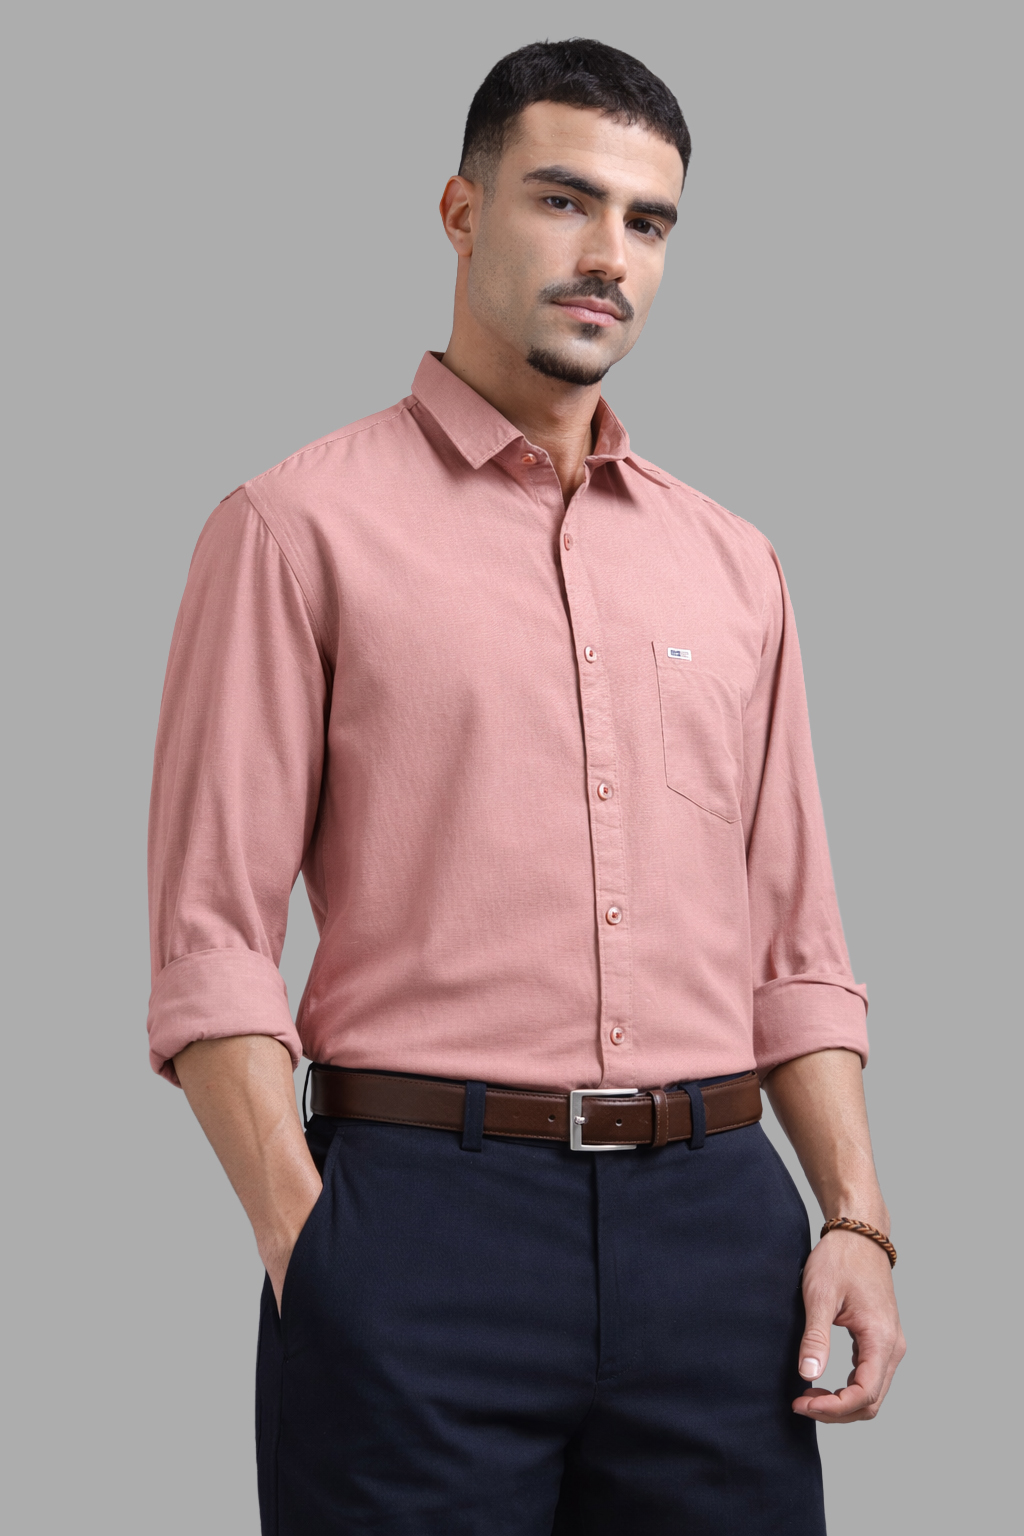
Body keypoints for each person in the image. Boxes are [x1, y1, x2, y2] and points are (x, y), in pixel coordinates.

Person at [148, 37, 905, 1535]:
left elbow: (796, 946)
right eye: (566, 201)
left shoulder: (734, 564)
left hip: (719, 1235)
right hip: (421, 1224)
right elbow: (211, 941)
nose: (609, 254)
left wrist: (858, 1220)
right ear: (461, 210)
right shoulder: (294, 529)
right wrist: (311, 1244)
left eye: (648, 220)